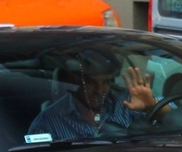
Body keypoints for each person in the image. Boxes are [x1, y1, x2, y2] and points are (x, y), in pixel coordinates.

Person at [28, 49, 163, 142]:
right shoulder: (48, 122)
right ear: (75, 82)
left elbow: (175, 112)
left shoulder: (127, 101)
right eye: (91, 83)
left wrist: (151, 105)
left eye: (105, 82)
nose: (99, 91)